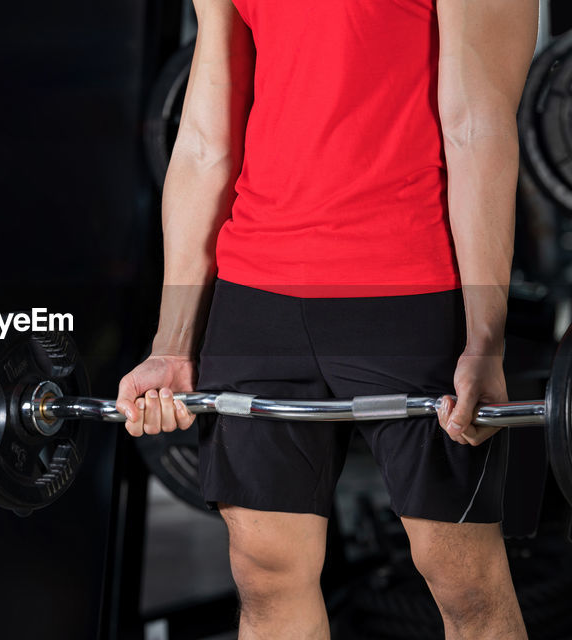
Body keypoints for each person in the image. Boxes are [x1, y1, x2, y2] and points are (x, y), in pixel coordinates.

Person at [116, 0, 538, 638]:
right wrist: (171, 346)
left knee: (464, 583)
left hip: (410, 292)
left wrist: (485, 339)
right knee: (265, 574)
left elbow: (477, 125)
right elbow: (205, 139)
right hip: (256, 294)